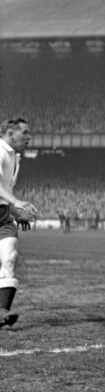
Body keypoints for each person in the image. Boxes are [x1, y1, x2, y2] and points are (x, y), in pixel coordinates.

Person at [0, 118, 40, 329]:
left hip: (3, 216)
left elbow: (4, 192)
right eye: (24, 132)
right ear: (9, 132)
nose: (28, 137)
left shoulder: (14, 157)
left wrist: (16, 213)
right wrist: (16, 202)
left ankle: (2, 312)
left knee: (10, 257)